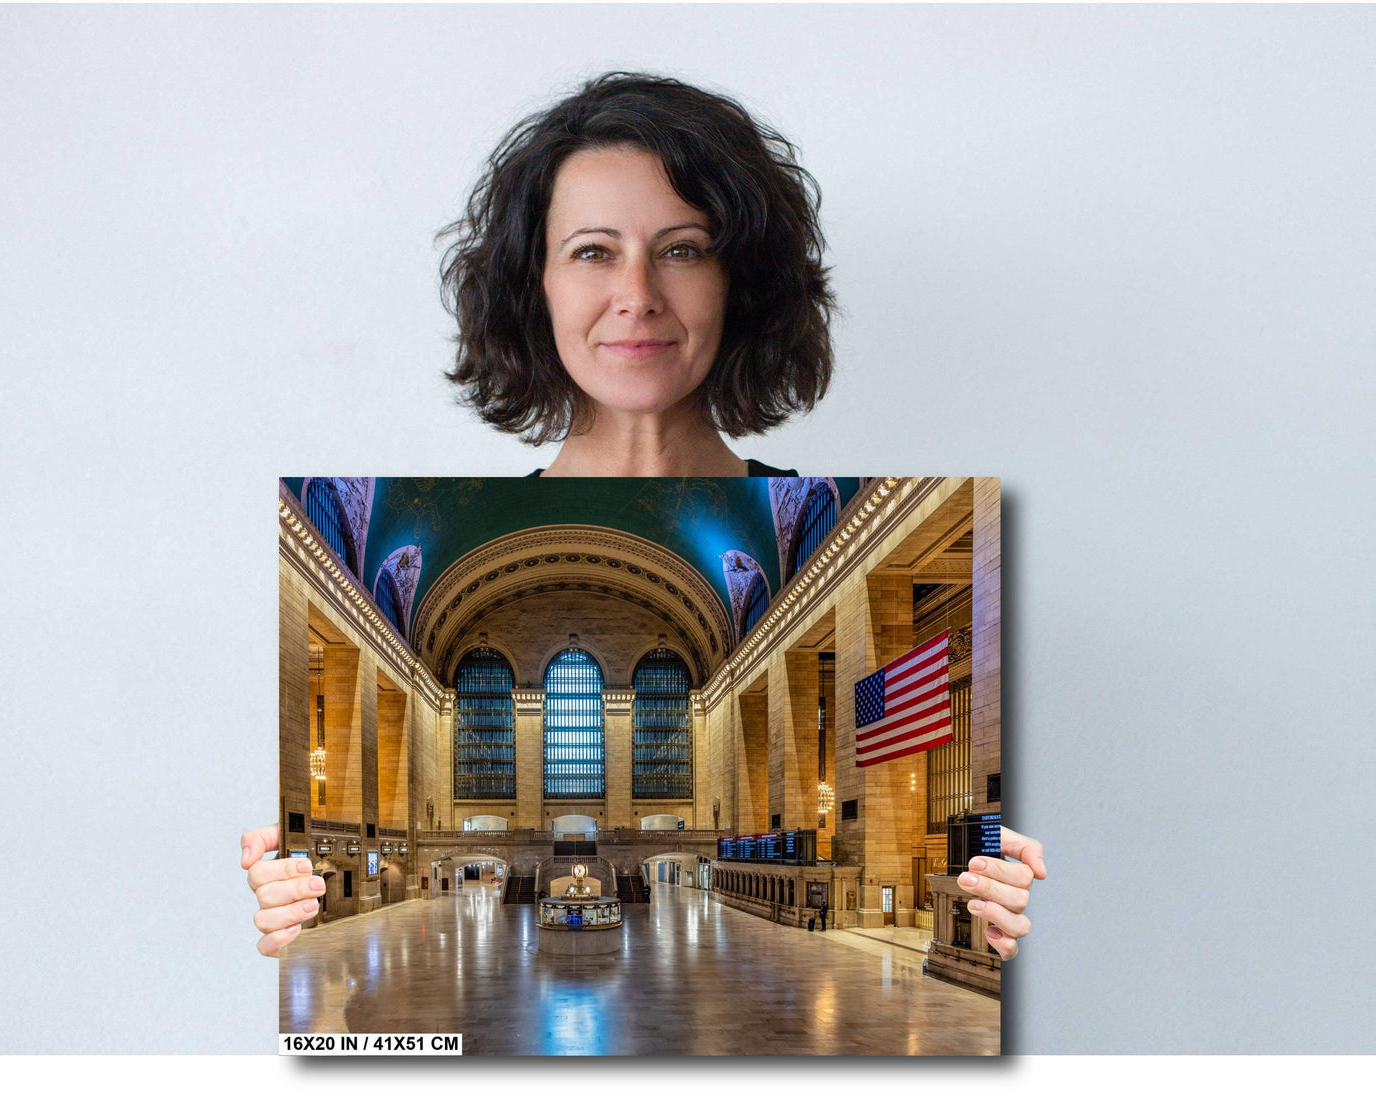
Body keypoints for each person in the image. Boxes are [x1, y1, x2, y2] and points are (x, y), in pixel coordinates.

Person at [243, 72, 1046, 960]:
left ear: (740, 282)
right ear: (532, 285)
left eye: (683, 248)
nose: (638, 294)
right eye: (592, 250)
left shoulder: (821, 515)